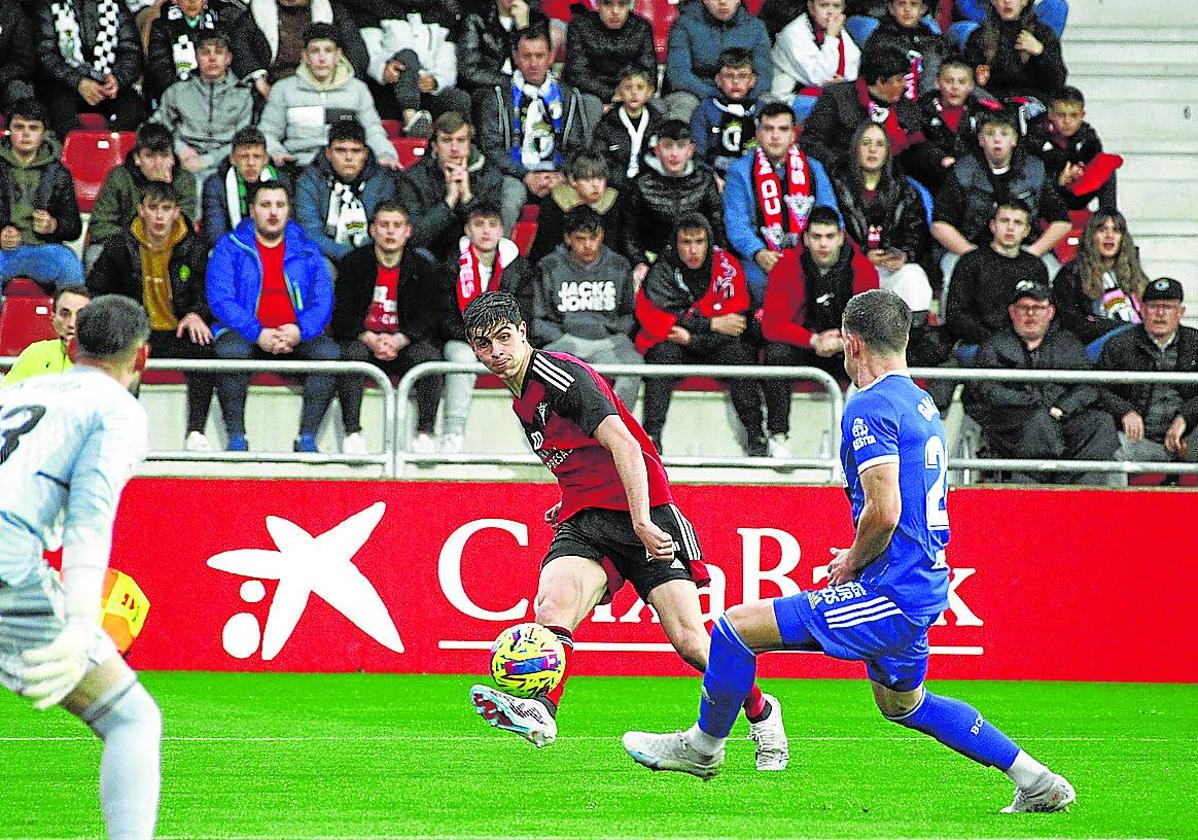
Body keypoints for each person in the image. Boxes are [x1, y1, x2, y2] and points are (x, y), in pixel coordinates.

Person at [623, 288, 1077, 818]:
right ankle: (1036, 779)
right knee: (904, 705)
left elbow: (883, 510)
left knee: (732, 629)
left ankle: (701, 748)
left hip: (892, 590)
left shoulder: (870, 404)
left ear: (853, 344)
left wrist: (851, 562)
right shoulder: (919, 400)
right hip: (921, 581)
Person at [464, 289, 789, 770]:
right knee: (552, 604)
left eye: (503, 338)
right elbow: (579, 457)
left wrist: (641, 520)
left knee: (692, 643)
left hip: (647, 513)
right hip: (587, 520)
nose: (496, 352)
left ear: (524, 332)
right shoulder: (520, 399)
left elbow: (628, 448)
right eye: (484, 345)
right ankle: (542, 709)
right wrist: (568, 500)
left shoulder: (561, 377)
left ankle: (763, 714)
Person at [0, 294, 162, 839]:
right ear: (142, 358)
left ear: (71, 345)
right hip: (6, 552)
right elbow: (89, 520)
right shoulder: (117, 410)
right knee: (132, 720)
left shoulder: (20, 389)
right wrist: (79, 621)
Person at [206, 181, 339, 453]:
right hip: (246, 334)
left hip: (295, 334)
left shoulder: (307, 249)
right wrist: (258, 333)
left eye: (280, 205)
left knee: (330, 354)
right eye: (265, 205)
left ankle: (308, 438)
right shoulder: (230, 246)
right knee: (230, 353)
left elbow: (323, 300)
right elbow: (221, 300)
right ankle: (236, 437)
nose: (273, 213)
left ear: (289, 211)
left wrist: (300, 330)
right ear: (252, 211)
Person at [87, 182, 217, 452]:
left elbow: (208, 291)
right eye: (153, 208)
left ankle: (195, 431)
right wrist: (121, 321)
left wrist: (196, 313)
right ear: (141, 210)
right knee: (121, 356)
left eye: (166, 209)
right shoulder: (120, 245)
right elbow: (97, 290)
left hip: (177, 330)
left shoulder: (194, 247)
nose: (159, 216)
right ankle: (122, 432)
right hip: (136, 332)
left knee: (205, 347)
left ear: (177, 211)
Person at [636, 213, 772, 456]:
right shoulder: (661, 269)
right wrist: (711, 324)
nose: (693, 250)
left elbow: (736, 324)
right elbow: (656, 319)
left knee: (739, 355)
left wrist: (697, 334)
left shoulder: (727, 267)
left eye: (699, 242)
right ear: (675, 244)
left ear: (708, 242)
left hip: (713, 343)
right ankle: (651, 436)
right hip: (676, 343)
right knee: (662, 356)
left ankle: (756, 434)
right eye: (686, 243)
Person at [966, 279, 1117, 484]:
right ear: (1012, 312)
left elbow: (1088, 385)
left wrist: (1062, 407)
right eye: (1024, 308)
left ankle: (1083, 494)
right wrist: (1035, 403)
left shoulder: (1067, 343)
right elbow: (987, 390)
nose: (1031, 314)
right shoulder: (995, 346)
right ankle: (1034, 490)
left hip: (1062, 417)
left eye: (1038, 307)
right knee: (1037, 421)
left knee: (1101, 422)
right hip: (1014, 427)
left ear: (1050, 312)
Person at [330, 201, 444, 454]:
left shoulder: (423, 268)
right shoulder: (353, 263)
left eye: (397, 226)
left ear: (408, 231)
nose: (390, 232)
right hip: (364, 340)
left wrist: (402, 339)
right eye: (384, 225)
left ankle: (425, 432)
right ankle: (352, 432)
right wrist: (369, 337)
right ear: (372, 231)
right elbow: (342, 316)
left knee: (430, 359)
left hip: (404, 343)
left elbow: (429, 318)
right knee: (351, 356)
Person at [761, 207, 877, 454]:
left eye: (829, 237)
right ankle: (778, 436)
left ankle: (860, 440)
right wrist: (813, 340)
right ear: (805, 238)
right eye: (816, 237)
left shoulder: (863, 269)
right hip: (806, 345)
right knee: (775, 354)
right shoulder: (787, 267)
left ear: (841, 237)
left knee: (870, 356)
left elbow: (868, 324)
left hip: (845, 347)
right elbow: (771, 325)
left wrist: (843, 341)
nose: (823, 244)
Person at [931, 108, 1069, 295]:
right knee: (953, 277)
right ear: (980, 140)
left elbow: (1062, 221)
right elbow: (940, 224)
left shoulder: (1035, 170)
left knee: (1055, 278)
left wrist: (1033, 253)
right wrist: (972, 255)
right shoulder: (962, 171)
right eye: (990, 134)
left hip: (1025, 248)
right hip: (971, 248)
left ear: (1014, 140)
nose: (997, 139)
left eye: (1004, 134)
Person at [473, 20, 592, 233]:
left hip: (557, 173)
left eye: (539, 56)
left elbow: (577, 145)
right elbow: (491, 147)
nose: (533, 63)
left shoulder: (567, 95)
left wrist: (561, 173)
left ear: (551, 57)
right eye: (527, 56)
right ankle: (501, 261)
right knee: (508, 201)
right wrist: (524, 175)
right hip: (515, 174)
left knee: (580, 199)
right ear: (516, 58)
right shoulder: (498, 96)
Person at [435, 202, 534, 454]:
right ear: (468, 229)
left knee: (526, 360)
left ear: (502, 229)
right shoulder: (452, 264)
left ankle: (533, 437)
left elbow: (524, 310)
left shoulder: (518, 265)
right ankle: (452, 434)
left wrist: (497, 340)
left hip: (505, 340)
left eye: (492, 225)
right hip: (463, 340)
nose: (486, 231)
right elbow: (444, 316)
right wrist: (477, 340)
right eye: (479, 225)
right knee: (461, 359)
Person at [724, 102, 838, 304]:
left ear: (793, 135)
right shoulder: (739, 172)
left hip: (812, 254)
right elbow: (737, 225)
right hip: (762, 258)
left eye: (783, 129)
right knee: (756, 280)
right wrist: (758, 252)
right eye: (768, 129)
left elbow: (831, 216)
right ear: (758, 134)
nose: (775, 136)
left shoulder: (814, 168)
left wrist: (818, 251)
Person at [531, 205, 642, 407]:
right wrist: (560, 336)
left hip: (609, 342)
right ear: (568, 238)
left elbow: (629, 314)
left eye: (594, 238)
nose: (588, 246)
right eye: (580, 239)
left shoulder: (619, 264)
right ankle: (555, 435)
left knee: (635, 367)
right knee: (542, 368)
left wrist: (613, 330)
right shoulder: (549, 266)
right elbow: (537, 320)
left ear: (602, 235)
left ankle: (616, 429)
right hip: (566, 342)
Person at [258, 23, 400, 172]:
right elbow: (267, 132)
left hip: (345, 168)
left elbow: (372, 131)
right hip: (298, 166)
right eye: (315, 51)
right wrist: (277, 152)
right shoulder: (283, 89)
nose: (321, 58)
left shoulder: (358, 89)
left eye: (328, 51)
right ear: (305, 56)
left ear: (338, 55)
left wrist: (385, 154)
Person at [829, 121, 934, 309]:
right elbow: (830, 233)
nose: (872, 150)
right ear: (855, 148)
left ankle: (916, 336)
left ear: (888, 151)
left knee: (913, 276)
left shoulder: (905, 191)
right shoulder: (836, 187)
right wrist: (863, 255)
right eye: (866, 143)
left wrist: (903, 255)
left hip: (890, 269)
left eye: (879, 144)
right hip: (849, 269)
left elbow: (917, 235)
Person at [1096, 277, 1198, 471]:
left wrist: (1186, 417)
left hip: (1189, 439)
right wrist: (1125, 411)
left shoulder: (1195, 342)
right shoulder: (1119, 345)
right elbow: (1097, 388)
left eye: (1167, 307)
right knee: (1110, 449)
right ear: (1142, 310)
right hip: (1139, 439)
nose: (1160, 314)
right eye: (1153, 306)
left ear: (1180, 312)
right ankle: (1114, 502)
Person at [148, 27, 256, 196]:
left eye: (218, 52)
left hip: (226, 163)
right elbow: (154, 128)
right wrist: (180, 149)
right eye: (205, 53)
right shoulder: (177, 91)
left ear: (228, 58)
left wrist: (207, 160)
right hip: (182, 162)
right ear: (197, 57)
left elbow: (243, 140)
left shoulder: (243, 95)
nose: (212, 58)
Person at [624, 119, 726, 289]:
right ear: (657, 150)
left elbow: (717, 225)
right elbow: (629, 232)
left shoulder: (705, 181)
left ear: (691, 150)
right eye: (668, 146)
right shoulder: (640, 184)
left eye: (680, 146)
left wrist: (719, 259)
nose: (674, 154)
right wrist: (639, 262)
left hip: (697, 259)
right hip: (655, 261)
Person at [86, 122, 200, 271]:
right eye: (150, 156)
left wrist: (164, 190)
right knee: (95, 255)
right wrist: (137, 244)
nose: (158, 163)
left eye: (164, 155)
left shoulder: (184, 181)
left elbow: (185, 226)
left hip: (169, 248)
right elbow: (100, 226)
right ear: (137, 158)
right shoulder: (119, 178)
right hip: (125, 248)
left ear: (172, 158)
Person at [395, 111, 504, 265]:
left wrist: (467, 197)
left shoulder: (489, 176)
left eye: (461, 140)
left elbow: (490, 233)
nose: (454, 148)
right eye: (446, 141)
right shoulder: (413, 178)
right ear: (435, 146)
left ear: (469, 144)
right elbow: (415, 237)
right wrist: (449, 202)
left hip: (473, 255)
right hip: (431, 254)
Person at [943, 198, 1048, 355]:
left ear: (1026, 231)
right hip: (978, 344)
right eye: (1004, 221)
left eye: (1018, 223)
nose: (1010, 228)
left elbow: (1043, 313)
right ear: (993, 226)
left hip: (1025, 345)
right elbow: (956, 315)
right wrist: (998, 342)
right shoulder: (970, 262)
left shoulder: (1035, 266)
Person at [0, 99, 85, 293]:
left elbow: (73, 227)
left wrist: (53, 225)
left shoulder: (58, 172)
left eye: (33, 128)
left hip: (44, 250)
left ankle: (72, 323)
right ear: (9, 131)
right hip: (3, 252)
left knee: (69, 265)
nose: (26, 133)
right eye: (19, 127)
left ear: (43, 133)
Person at [294, 119, 399, 270]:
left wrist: (364, 256)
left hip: (373, 255)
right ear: (328, 153)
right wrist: (350, 256)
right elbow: (310, 233)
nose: (349, 158)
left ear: (365, 153)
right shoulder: (309, 180)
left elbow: (386, 227)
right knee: (321, 266)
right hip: (327, 255)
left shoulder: (382, 180)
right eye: (341, 150)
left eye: (356, 151)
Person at [799, 45, 923, 172]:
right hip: (845, 174)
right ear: (880, 81)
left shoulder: (908, 107)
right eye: (899, 79)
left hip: (893, 178)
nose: (905, 85)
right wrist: (842, 165)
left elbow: (918, 146)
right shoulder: (837, 98)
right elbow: (811, 142)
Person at [33, 0, 147, 135]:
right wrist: (79, 82)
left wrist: (117, 79)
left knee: (132, 108)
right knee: (59, 108)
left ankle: (112, 153)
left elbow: (132, 51)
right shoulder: (47, 6)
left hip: (107, 85)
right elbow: (44, 55)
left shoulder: (116, 5)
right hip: (64, 85)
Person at [358, 2, 469, 135]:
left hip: (425, 90)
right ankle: (411, 120)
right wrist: (383, 69)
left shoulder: (444, 14)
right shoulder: (375, 8)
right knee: (408, 56)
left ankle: (456, 148)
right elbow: (369, 54)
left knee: (459, 99)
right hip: (389, 89)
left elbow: (447, 64)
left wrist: (434, 81)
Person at [1051, 210, 1149, 358]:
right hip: (1096, 349)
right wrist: (1123, 328)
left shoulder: (1135, 273)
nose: (1109, 236)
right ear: (1091, 236)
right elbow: (1075, 325)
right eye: (1102, 229)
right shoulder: (1071, 274)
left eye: (1116, 230)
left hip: (1138, 346)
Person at [230, 0, 370, 102]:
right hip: (272, 88)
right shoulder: (258, 10)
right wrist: (259, 82)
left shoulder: (332, 10)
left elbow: (356, 50)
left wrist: (339, 85)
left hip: (326, 86)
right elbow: (239, 45)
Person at [663, 0, 772, 123]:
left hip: (744, 91)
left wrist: (743, 97)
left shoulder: (755, 27)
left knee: (771, 106)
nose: (723, 2)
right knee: (685, 106)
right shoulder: (684, 24)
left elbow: (764, 76)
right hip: (696, 93)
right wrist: (717, 96)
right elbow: (679, 75)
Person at [904, 55, 999, 193]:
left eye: (962, 82)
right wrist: (939, 160)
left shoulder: (983, 114)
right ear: (937, 83)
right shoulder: (920, 111)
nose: (955, 87)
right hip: (929, 183)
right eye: (949, 81)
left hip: (974, 184)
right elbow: (915, 148)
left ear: (971, 86)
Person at [527, 151, 632, 267]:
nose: (596, 185)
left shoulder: (616, 201)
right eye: (588, 180)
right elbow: (544, 247)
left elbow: (624, 243)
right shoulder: (555, 202)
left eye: (600, 178)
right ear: (573, 181)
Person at [1023, 85, 1117, 212]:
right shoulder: (1036, 134)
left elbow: (1095, 166)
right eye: (1061, 115)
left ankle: (1108, 217)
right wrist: (1058, 179)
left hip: (1073, 194)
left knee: (1106, 167)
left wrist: (1080, 171)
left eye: (1074, 115)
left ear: (1082, 115)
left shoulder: (1087, 136)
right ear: (1050, 114)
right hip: (1043, 198)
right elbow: (1029, 176)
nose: (1067, 121)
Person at [964, 0, 1066, 111]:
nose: (1007, 1)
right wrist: (977, 77)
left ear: (1024, 2)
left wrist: (1040, 52)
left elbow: (1058, 81)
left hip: (1032, 106)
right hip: (993, 106)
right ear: (993, 2)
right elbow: (970, 82)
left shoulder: (1043, 34)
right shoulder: (979, 37)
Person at [563, 0, 656, 118]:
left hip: (631, 93)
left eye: (622, 4)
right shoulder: (579, 26)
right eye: (607, 4)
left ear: (630, 5)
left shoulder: (642, 28)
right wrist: (613, 95)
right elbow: (577, 74)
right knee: (591, 105)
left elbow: (648, 74)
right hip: (591, 94)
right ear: (597, 4)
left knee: (658, 106)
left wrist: (626, 96)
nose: (615, 11)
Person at [771, 0, 861, 121]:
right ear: (811, 7)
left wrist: (843, 83)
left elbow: (852, 69)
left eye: (836, 6)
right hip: (786, 103)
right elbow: (819, 77)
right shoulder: (793, 34)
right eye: (824, 5)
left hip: (826, 98)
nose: (830, 12)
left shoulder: (838, 31)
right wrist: (831, 37)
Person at [201, 127, 288, 250]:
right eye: (244, 156)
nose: (251, 163)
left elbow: (289, 228)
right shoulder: (215, 184)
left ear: (265, 159)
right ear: (233, 159)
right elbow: (215, 234)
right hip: (231, 251)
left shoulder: (280, 182)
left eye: (257, 156)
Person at [144, 0, 243, 105]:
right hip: (178, 97)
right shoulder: (162, 26)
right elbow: (160, 69)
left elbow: (233, 64)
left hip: (220, 97)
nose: (192, 2)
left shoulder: (220, 23)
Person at [691, 48, 766, 183]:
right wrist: (711, 177)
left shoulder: (762, 110)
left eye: (742, 76)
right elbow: (698, 152)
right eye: (729, 75)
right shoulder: (705, 110)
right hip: (716, 178)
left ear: (753, 80)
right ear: (718, 80)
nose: (736, 82)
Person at [0, 285, 91, 386]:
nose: (72, 324)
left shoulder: (101, 360)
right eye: (65, 314)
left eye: (81, 315)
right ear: (53, 319)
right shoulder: (35, 352)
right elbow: (7, 394)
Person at [590, 65, 661, 191]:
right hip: (617, 186)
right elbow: (600, 158)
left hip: (650, 186)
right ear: (618, 92)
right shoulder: (607, 124)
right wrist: (624, 183)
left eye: (640, 87)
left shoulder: (657, 122)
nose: (634, 92)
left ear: (650, 91)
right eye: (628, 87)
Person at [860, 0, 949, 101]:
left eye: (914, 4)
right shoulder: (880, 41)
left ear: (923, 9)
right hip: (893, 107)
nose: (907, 9)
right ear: (891, 9)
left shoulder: (934, 43)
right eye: (902, 3)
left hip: (929, 107)